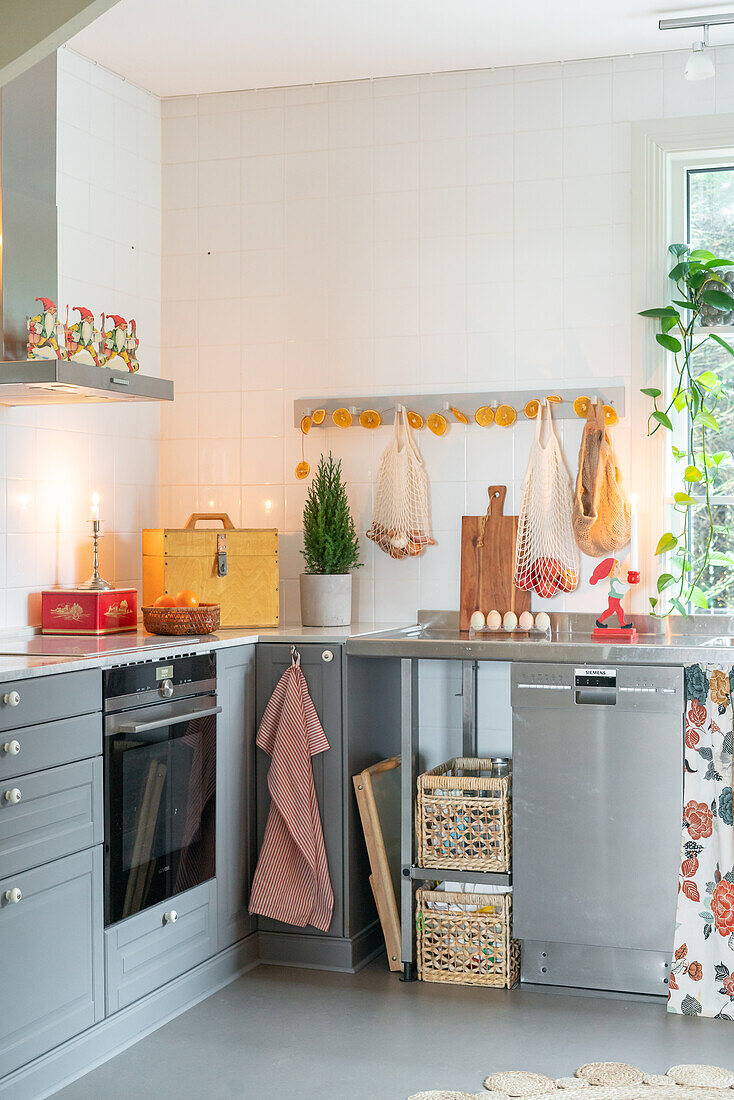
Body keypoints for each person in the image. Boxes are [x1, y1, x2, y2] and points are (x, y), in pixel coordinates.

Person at [589, 556, 638, 630]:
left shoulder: (616, 580)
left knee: (611, 611)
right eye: (617, 567)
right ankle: (622, 625)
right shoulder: (614, 581)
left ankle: (600, 621)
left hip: (614, 599)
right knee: (618, 611)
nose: (619, 569)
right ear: (611, 571)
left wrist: (628, 585)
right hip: (613, 599)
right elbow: (619, 589)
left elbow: (621, 587)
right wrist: (629, 585)